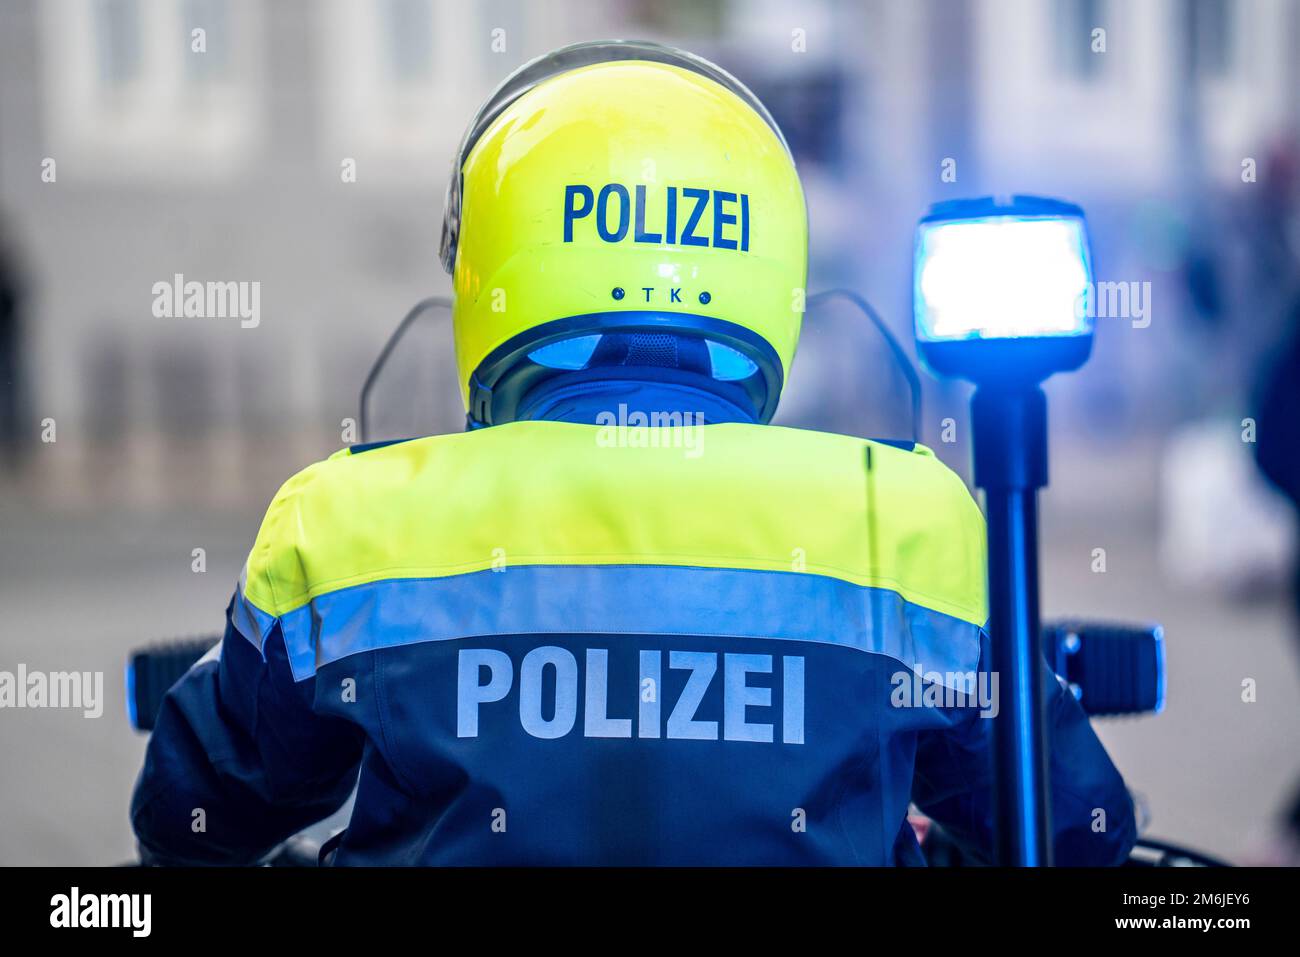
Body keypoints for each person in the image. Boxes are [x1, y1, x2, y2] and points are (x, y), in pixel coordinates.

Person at [131, 41, 1135, 866]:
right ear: (767, 260)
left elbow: (191, 822)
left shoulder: (347, 526)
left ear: (489, 262)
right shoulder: (910, 521)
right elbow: (1079, 832)